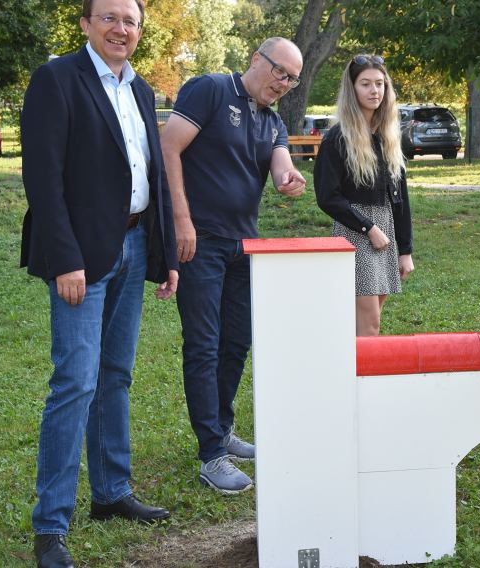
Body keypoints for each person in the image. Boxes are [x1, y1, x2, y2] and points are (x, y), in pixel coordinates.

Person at [21, 0, 179, 566]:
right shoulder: (56, 79)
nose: (120, 28)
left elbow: (150, 175)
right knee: (76, 382)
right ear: (86, 24)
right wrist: (65, 260)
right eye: (108, 17)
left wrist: (164, 258)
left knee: (115, 375)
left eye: (130, 20)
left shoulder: (140, 90)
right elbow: (42, 178)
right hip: (81, 261)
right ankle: (51, 525)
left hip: (134, 248)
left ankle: (111, 493)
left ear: (140, 31)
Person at [160, 38, 306, 495]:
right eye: (279, 71)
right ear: (255, 60)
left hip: (246, 247)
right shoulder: (210, 90)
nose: (282, 83)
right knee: (202, 344)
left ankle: (221, 428)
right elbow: (168, 149)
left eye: (291, 78)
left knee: (236, 341)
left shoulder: (273, 120)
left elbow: (280, 162)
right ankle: (211, 455)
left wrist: (289, 178)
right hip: (199, 241)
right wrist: (181, 221)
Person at [314, 54, 414, 336]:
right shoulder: (337, 138)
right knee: (369, 324)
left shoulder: (388, 137)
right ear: (352, 89)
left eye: (380, 84)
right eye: (366, 84)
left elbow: (400, 199)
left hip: (385, 232)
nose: (374, 91)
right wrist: (368, 228)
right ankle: (360, 378)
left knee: (366, 323)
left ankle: (349, 372)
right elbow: (327, 197)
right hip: (354, 233)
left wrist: (405, 250)